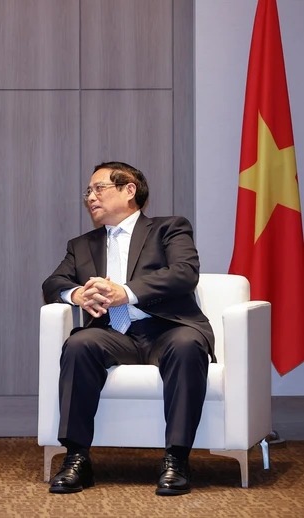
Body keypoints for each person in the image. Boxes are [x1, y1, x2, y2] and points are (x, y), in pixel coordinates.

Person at [42, 161, 214, 497]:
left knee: (186, 344)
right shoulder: (82, 244)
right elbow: (52, 284)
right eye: (88, 192)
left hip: (168, 328)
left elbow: (184, 273)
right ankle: (77, 458)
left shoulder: (169, 229)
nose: (90, 197)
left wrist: (127, 292)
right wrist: (77, 294)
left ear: (129, 190)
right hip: (113, 335)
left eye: (99, 188)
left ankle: (177, 459)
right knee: (79, 344)